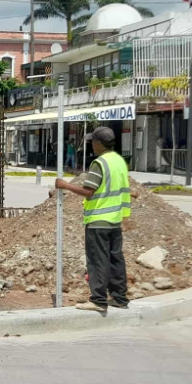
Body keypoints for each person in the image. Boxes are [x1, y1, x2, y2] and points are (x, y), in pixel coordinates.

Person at [53, 126, 132, 313]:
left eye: (92, 142)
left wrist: (65, 185)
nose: (91, 146)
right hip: (115, 219)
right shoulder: (119, 161)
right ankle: (120, 297)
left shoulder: (99, 163)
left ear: (98, 143)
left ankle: (98, 300)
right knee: (115, 259)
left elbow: (89, 192)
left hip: (98, 220)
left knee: (98, 261)